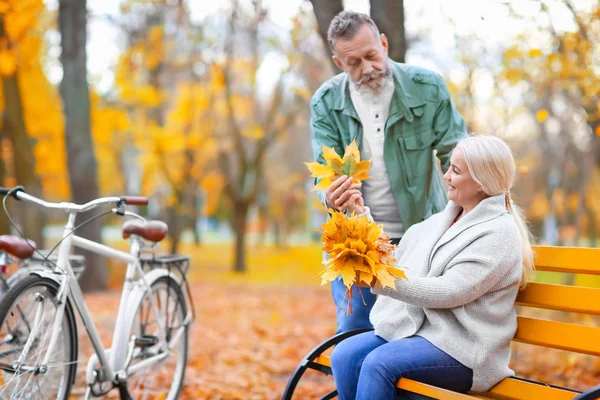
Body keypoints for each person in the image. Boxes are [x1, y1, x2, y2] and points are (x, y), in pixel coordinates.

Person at [330, 135, 535, 399]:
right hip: (421, 333)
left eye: (456, 171)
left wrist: (378, 280)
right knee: (345, 356)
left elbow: (448, 291)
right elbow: (396, 258)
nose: (446, 176)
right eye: (449, 167)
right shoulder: (443, 220)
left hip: (465, 350)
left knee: (378, 364)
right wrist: (359, 213)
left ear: (482, 183)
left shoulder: (499, 233)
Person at [310, 10, 468, 332]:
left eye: (371, 56)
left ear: (383, 43)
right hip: (357, 241)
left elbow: (457, 152)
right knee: (354, 332)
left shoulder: (427, 88)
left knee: (419, 333)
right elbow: (324, 173)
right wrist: (331, 195)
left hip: (422, 235)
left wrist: (466, 211)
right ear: (339, 63)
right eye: (354, 63)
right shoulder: (325, 102)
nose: (367, 69)